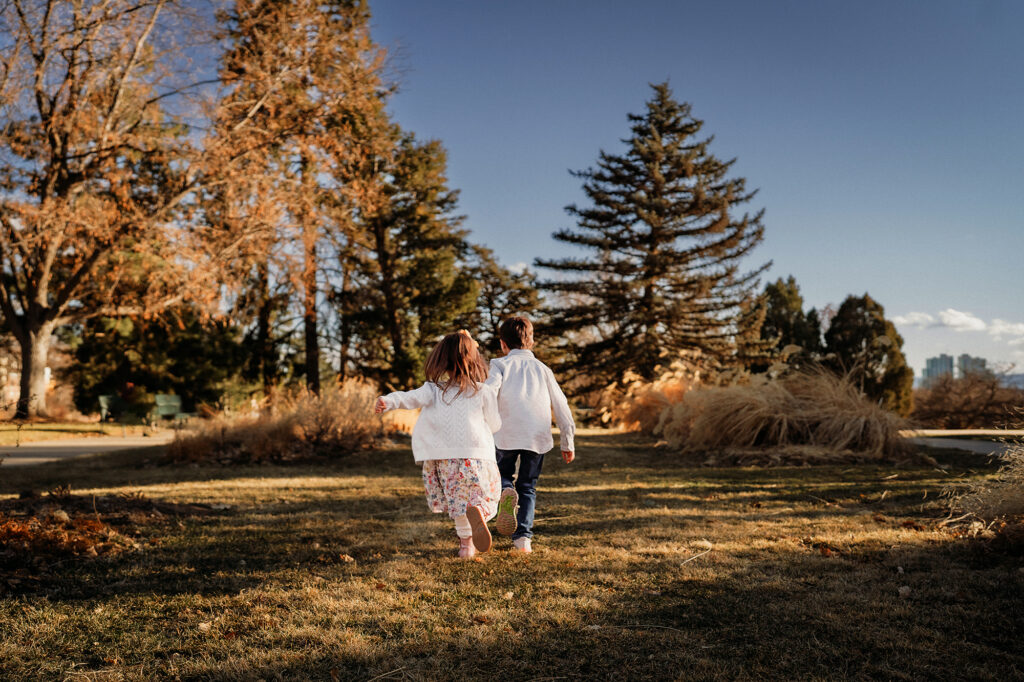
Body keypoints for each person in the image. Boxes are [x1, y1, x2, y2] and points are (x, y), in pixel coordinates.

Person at [375, 331, 502, 559]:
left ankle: (466, 546)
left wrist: (388, 401)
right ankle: (482, 512)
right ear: (474, 360)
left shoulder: (433, 389)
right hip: (477, 454)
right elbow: (495, 423)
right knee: (488, 494)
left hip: (445, 458)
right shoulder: (483, 391)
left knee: (458, 503)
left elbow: (409, 397)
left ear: (441, 359)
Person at [486, 316, 576, 553]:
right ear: (532, 341)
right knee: (528, 487)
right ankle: (523, 540)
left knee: (501, 474)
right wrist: (568, 441)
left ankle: (506, 489)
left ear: (503, 344)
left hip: (505, 433)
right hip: (537, 436)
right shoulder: (543, 369)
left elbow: (488, 392)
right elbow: (561, 405)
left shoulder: (499, 365)